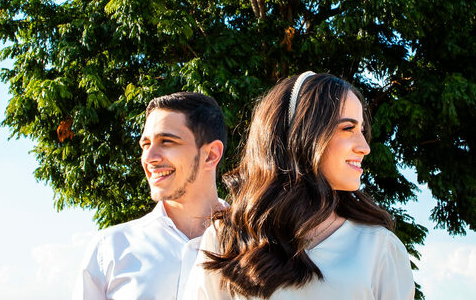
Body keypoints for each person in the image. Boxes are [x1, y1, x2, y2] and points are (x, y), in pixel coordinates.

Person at [183, 72, 415, 299]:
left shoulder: (379, 247)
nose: (364, 147)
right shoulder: (226, 239)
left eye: (362, 130)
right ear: (300, 135)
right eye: (348, 129)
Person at [73, 92, 227, 300]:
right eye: (146, 144)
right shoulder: (109, 249)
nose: (149, 158)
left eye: (167, 142)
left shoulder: (258, 246)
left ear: (211, 155)